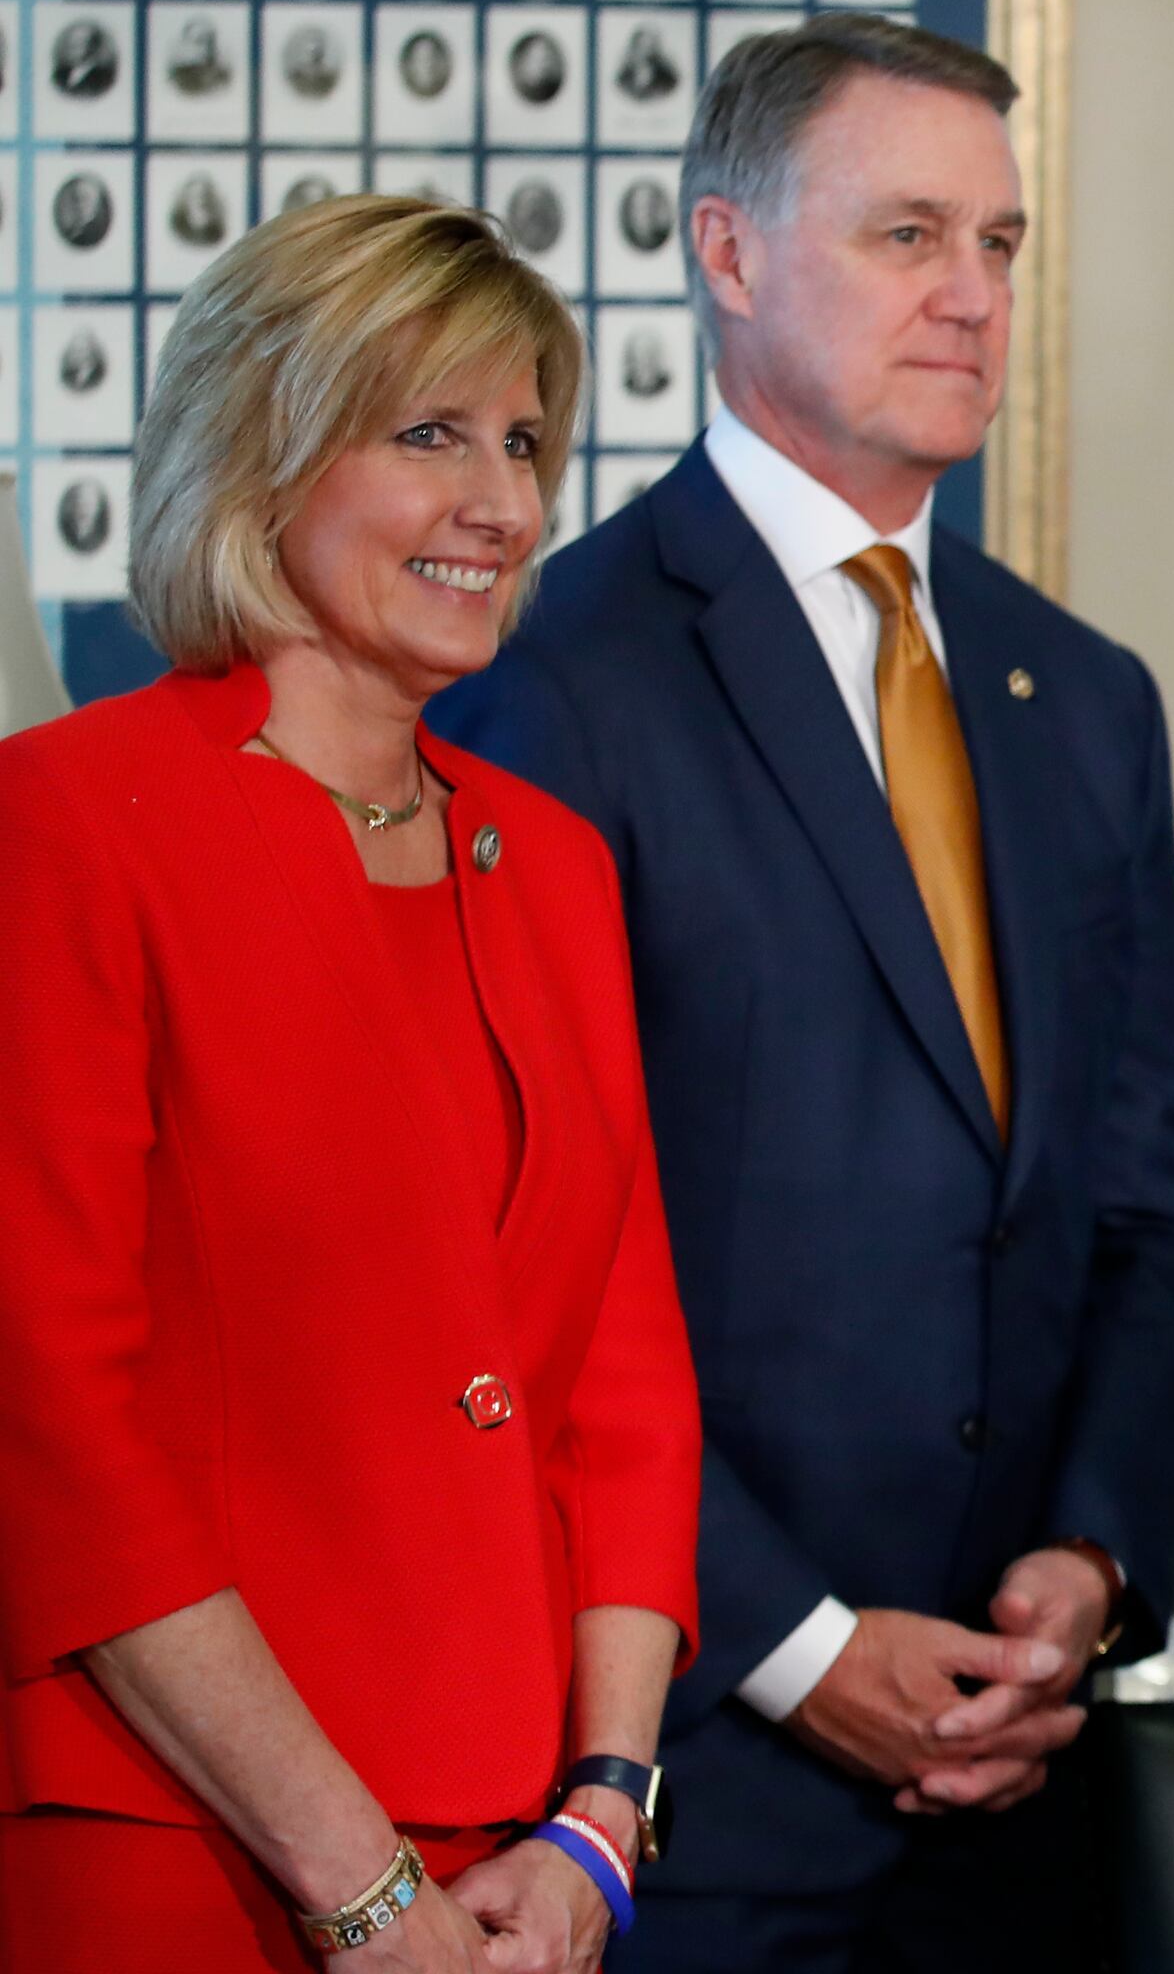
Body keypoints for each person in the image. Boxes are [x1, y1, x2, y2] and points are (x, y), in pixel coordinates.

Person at [431, 11, 1174, 1970]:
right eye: (907, 236)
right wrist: (801, 1649)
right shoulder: (552, 676)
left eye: (1004, 246)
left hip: (1028, 1779)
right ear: (727, 253)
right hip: (682, 1788)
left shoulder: (1087, 699)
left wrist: (1089, 1563)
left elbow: (1150, 1209)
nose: (971, 297)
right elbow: (511, 1273)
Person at [0, 196, 700, 1969]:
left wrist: (601, 1822)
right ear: (262, 451)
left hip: (521, 1864)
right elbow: (55, 1424)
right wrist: (358, 1883)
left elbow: (626, 1380)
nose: (505, 503)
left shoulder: (552, 861)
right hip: (180, 1838)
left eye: (527, 442)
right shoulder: (69, 825)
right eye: (429, 435)